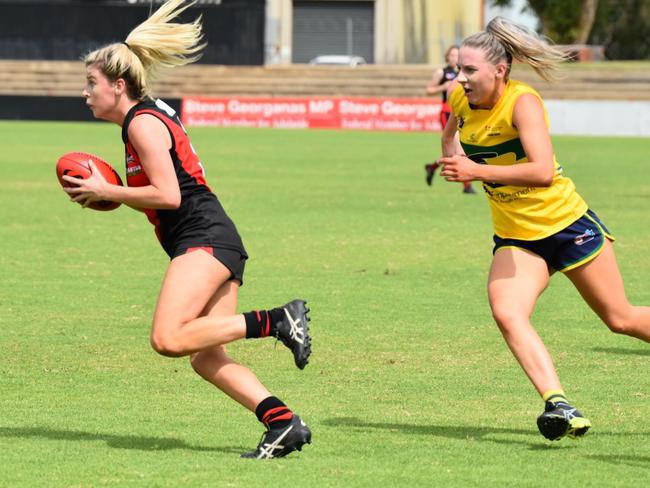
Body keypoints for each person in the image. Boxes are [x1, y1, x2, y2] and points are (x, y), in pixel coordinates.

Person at [61, 0, 312, 459]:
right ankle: (282, 423)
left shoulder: (142, 124)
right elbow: (165, 197)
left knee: (168, 339)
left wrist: (110, 191)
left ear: (119, 86)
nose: (85, 92)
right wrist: (111, 194)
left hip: (204, 237)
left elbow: (170, 196)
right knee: (207, 355)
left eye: (91, 83)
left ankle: (277, 321)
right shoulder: (145, 116)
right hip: (212, 236)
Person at [436, 16, 650, 441]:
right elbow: (449, 134)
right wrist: (452, 158)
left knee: (620, 319)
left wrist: (474, 169)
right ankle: (559, 402)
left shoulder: (522, 101)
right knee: (507, 312)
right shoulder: (460, 100)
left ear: (500, 71)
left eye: (470, 70)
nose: (461, 78)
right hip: (518, 237)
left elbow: (541, 172)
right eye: (459, 69)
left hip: (567, 227)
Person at [424, 45, 474, 194]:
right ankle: (467, 187)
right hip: (448, 112)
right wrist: (443, 87)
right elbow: (429, 90)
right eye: (452, 55)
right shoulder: (442, 72)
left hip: (464, 111)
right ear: (448, 57)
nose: (454, 58)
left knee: (457, 150)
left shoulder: (464, 73)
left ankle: (432, 167)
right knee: (459, 147)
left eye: (457, 55)